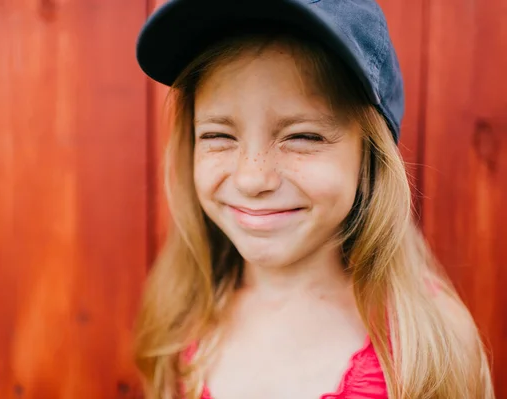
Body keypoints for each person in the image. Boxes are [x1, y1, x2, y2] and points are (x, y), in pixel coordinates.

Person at [132, 1, 495, 398]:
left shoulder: (430, 347)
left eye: (303, 137)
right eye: (219, 136)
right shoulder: (181, 323)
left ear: (370, 156)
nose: (253, 178)